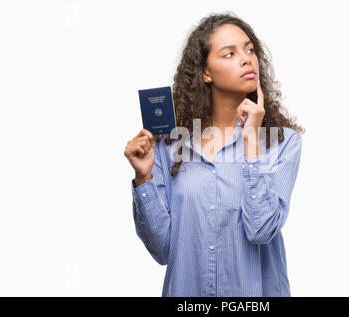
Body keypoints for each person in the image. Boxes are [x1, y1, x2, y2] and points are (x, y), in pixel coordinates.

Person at [124, 12, 305, 297]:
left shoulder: (282, 143)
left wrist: (251, 145)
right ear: (205, 73)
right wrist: (144, 176)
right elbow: (163, 250)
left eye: (249, 49)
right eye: (229, 54)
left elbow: (261, 230)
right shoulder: (169, 145)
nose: (246, 59)